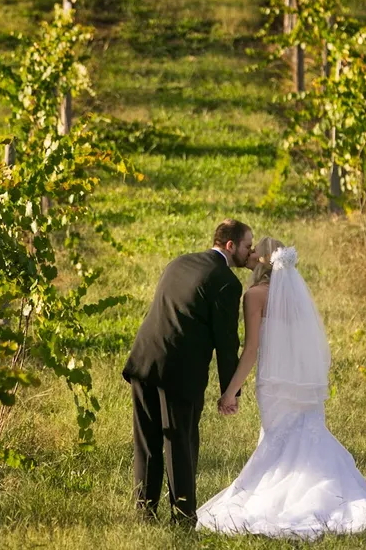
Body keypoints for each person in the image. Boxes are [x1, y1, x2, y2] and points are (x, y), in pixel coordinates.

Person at [196, 240, 366, 539]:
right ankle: (330, 491)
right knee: (306, 433)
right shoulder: (297, 296)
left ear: (262, 260)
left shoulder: (254, 296)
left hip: (273, 383)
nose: (250, 254)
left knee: (278, 438)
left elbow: (252, 350)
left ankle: (289, 499)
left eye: (255, 250)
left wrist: (230, 391)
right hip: (301, 382)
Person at [122, 219, 255, 526]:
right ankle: (183, 518)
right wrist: (230, 391)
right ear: (230, 245)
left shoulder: (179, 262)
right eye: (248, 246)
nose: (251, 252)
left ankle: (145, 514)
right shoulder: (225, 281)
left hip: (143, 359)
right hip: (179, 372)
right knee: (180, 444)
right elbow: (226, 342)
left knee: (148, 441)